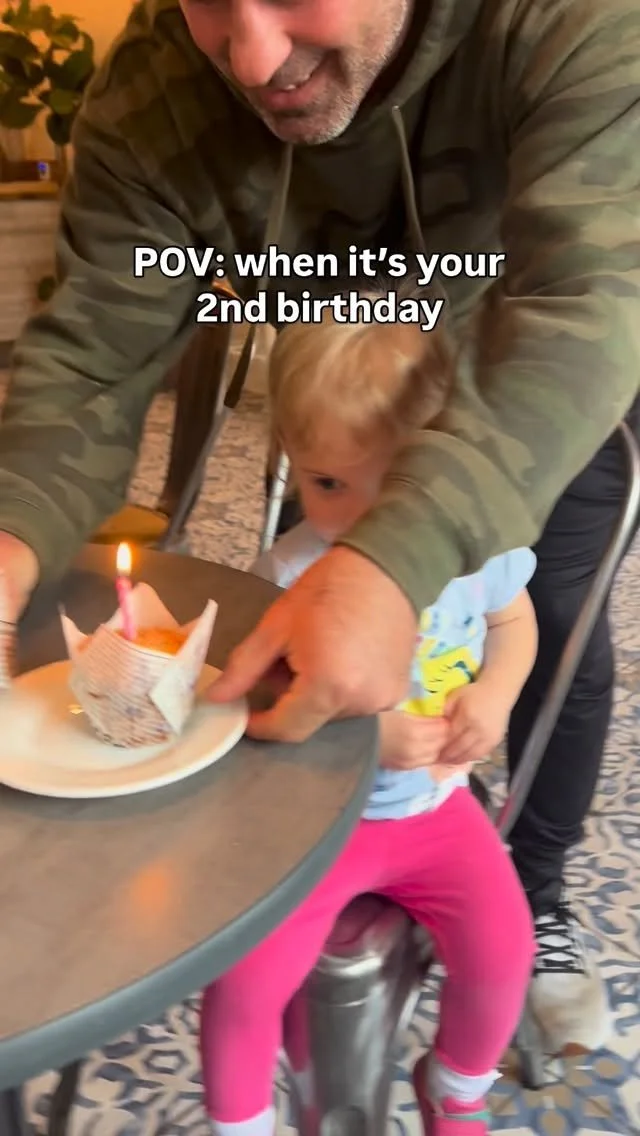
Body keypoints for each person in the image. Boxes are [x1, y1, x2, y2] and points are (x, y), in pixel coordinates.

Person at [0, 0, 637, 1053]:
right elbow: (92, 354)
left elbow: (591, 300)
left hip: (533, 388)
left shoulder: (576, 20)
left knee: (556, 626)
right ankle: (338, 863)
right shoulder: (154, 87)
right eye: (209, 1)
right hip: (344, 388)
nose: (252, 58)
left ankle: (539, 892)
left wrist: (410, 559)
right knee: (327, 640)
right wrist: (13, 530)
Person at [201, 305, 538, 1136]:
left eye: (391, 484)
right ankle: (244, 1121)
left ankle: (455, 1088)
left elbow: (515, 624)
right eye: (327, 484)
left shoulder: (470, 552)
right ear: (290, 454)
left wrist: (494, 695)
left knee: (506, 948)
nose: (355, 517)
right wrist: (364, 737)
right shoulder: (289, 575)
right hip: (315, 829)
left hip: (435, 813)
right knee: (241, 982)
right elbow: (250, 702)